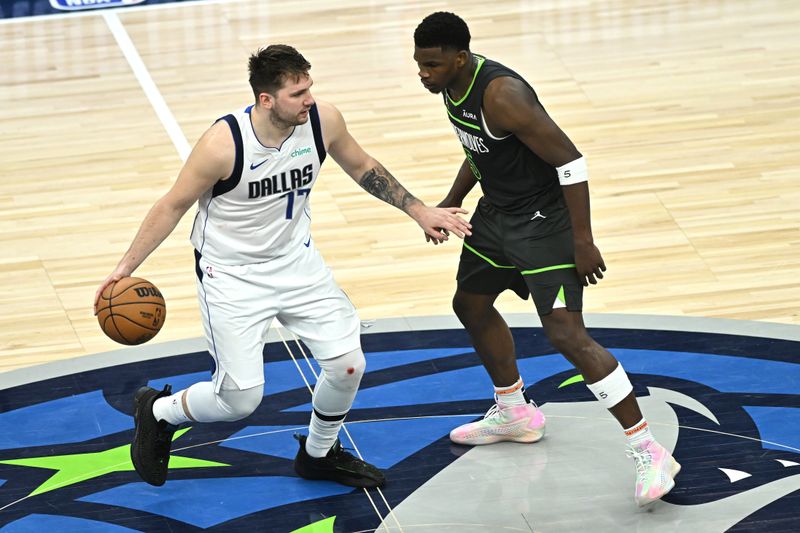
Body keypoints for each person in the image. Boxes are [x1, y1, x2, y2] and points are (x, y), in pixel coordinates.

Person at [94, 44, 471, 490]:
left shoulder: (322, 120)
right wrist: (124, 267)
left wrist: (418, 209)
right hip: (231, 275)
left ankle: (318, 453)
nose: (308, 99)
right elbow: (173, 205)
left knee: (348, 364)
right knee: (238, 400)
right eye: (297, 93)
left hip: (298, 264)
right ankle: (158, 412)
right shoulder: (223, 144)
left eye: (309, 87)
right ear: (266, 99)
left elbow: (363, 165)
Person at [412, 12, 680, 506]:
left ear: (460, 58)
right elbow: (479, 151)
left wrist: (583, 240)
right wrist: (453, 202)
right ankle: (514, 411)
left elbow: (571, 161)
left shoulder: (501, 94)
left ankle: (648, 447)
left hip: (544, 223)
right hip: (497, 217)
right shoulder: (452, 88)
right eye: (418, 64)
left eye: (431, 65)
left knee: (565, 334)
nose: (423, 74)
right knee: (469, 304)